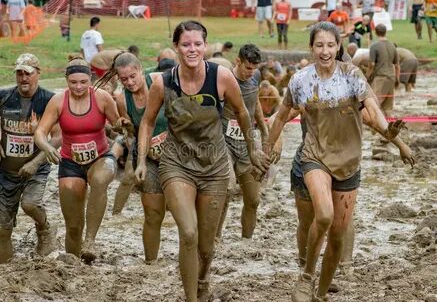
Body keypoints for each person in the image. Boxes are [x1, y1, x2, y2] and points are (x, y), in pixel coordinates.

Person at [264, 21, 413, 302]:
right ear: (311, 47)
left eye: (330, 45)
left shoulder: (352, 77)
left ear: (338, 47)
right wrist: (269, 146)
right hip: (314, 157)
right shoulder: (301, 80)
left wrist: (396, 138)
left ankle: (321, 293)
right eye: (319, 45)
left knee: (337, 235)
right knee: (320, 216)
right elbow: (281, 115)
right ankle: (306, 273)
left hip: (348, 161)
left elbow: (373, 112)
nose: (325, 50)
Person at [134, 20, 269, 302]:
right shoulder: (163, 82)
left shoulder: (221, 77)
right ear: (176, 47)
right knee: (189, 233)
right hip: (177, 164)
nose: (192, 49)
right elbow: (146, 123)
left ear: (206, 46)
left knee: (206, 247)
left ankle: (203, 279)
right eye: (185, 44)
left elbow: (243, 113)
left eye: (197, 44)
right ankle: (191, 298)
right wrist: (141, 160)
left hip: (214, 167)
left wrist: (253, 148)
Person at [35, 57, 122, 264]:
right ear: (67, 81)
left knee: (100, 180)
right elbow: (40, 131)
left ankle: (90, 241)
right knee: (73, 226)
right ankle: (74, 264)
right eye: (73, 82)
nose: (78, 87)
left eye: (83, 82)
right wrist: (46, 146)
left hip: (101, 156)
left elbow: (117, 123)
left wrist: (122, 124)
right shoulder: (58, 101)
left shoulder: (101, 98)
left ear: (90, 80)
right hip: (70, 162)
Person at [95, 52, 169, 264]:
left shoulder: (159, 81)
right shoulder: (121, 99)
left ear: (140, 69)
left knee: (184, 209)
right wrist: (127, 128)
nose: (129, 82)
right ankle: (150, 263)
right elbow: (134, 134)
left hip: (176, 154)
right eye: (124, 79)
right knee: (153, 213)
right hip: (147, 156)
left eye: (133, 76)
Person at [0, 53, 60, 263]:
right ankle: (7, 267)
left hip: (36, 166)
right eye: (19, 73)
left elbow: (59, 136)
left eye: (28, 73)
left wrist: (35, 162)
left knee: (30, 204)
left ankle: (45, 229)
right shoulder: (4, 96)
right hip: (6, 171)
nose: (23, 78)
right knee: (2, 228)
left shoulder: (49, 99)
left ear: (37, 74)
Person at [216, 44, 269, 240]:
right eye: (247, 68)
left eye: (254, 68)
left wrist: (264, 131)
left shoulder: (255, 77)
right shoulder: (224, 79)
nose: (251, 72)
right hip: (223, 141)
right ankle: (215, 238)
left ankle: (246, 241)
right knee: (227, 190)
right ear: (238, 61)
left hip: (247, 141)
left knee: (254, 199)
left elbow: (254, 105)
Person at [366, 24, 399, 118]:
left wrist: (366, 77)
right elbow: (397, 65)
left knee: (374, 104)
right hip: (391, 78)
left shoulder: (374, 46)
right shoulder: (392, 45)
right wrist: (397, 78)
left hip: (380, 78)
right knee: (388, 107)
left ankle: (374, 130)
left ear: (375, 32)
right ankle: (388, 128)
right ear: (385, 32)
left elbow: (371, 65)